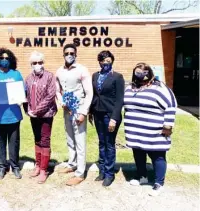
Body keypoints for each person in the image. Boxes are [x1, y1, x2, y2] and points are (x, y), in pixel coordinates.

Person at [123, 63, 177, 196]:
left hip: (155, 132)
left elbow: (171, 105)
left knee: (157, 156)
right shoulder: (130, 87)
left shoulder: (159, 87)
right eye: (138, 72)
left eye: (144, 71)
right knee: (138, 154)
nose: (141, 74)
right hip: (135, 130)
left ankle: (159, 183)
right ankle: (142, 177)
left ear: (150, 72)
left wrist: (168, 125)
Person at [56, 43, 93, 186]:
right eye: (66, 53)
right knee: (70, 138)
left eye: (72, 53)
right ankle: (72, 164)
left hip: (79, 109)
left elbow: (89, 92)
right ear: (63, 54)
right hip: (67, 109)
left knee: (80, 140)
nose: (69, 55)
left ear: (76, 54)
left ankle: (80, 173)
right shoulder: (59, 71)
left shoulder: (82, 70)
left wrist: (84, 112)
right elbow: (57, 90)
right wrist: (61, 101)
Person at [0, 48, 24, 180]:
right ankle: (2, 167)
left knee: (14, 143)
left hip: (14, 115)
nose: (4, 60)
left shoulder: (16, 74)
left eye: (7, 58)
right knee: (0, 143)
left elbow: (22, 92)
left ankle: (15, 166)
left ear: (11, 60)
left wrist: (20, 99)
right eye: (1, 58)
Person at [89, 50, 125, 187]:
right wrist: (91, 112)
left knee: (109, 144)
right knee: (101, 142)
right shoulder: (95, 76)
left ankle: (110, 173)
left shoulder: (117, 77)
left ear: (112, 61)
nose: (106, 63)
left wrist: (114, 118)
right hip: (97, 113)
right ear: (99, 61)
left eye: (108, 61)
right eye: (103, 61)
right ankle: (102, 170)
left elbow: (119, 100)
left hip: (110, 115)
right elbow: (94, 95)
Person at [23, 51, 57, 184]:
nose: (38, 65)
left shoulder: (49, 76)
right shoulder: (28, 78)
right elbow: (24, 96)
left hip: (46, 114)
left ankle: (44, 169)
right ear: (31, 64)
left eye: (40, 62)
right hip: (33, 115)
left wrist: (37, 110)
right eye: (35, 63)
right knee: (37, 139)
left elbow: (50, 95)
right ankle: (37, 165)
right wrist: (27, 110)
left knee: (45, 140)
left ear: (43, 63)